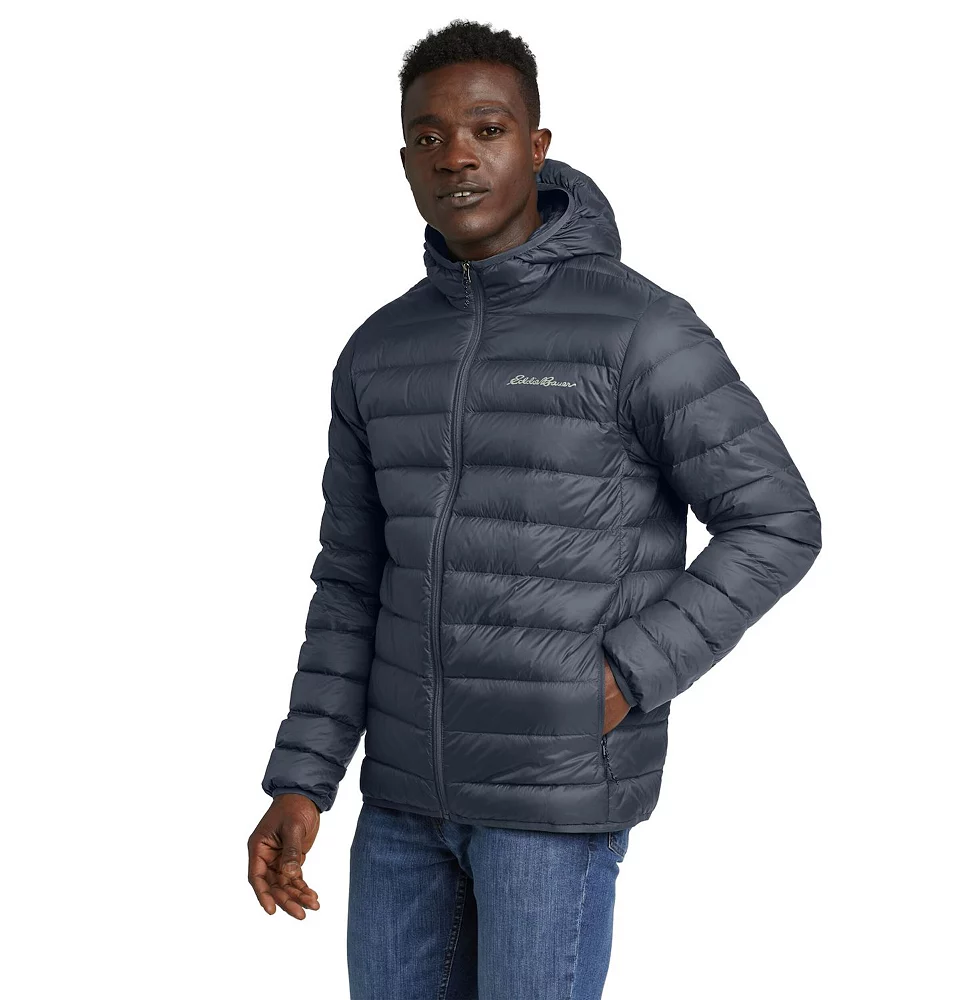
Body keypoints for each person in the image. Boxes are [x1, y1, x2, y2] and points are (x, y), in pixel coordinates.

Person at [247, 18, 822, 999]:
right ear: (403, 160)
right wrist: (303, 778)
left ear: (537, 145)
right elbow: (349, 582)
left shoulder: (638, 328)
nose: (456, 156)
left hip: (550, 804)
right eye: (428, 136)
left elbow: (776, 520)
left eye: (487, 128)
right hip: (400, 806)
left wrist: (623, 675)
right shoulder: (378, 352)